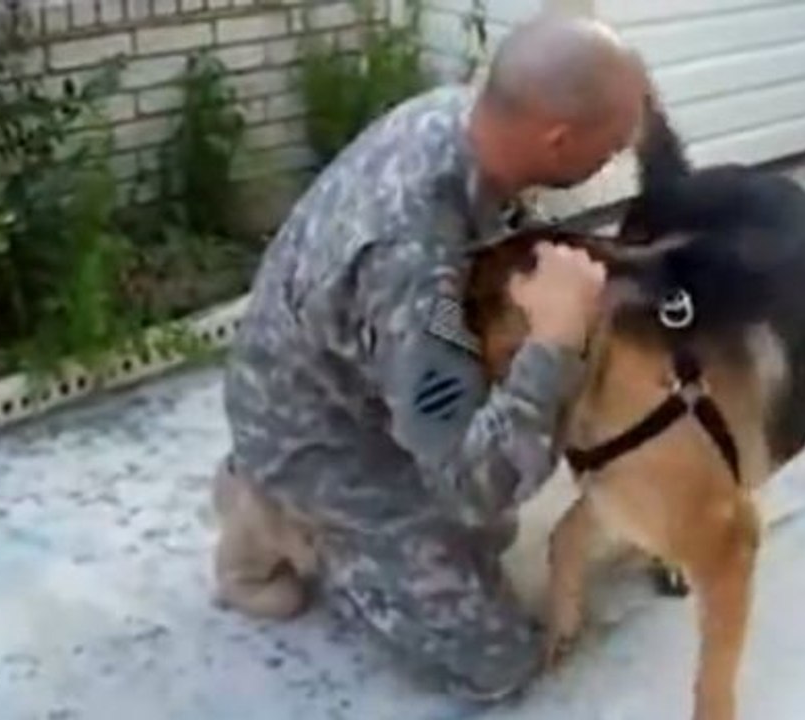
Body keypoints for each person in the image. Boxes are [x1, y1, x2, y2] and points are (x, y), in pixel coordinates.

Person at [213, 11, 652, 701]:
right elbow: (471, 486)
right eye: (613, 138)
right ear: (556, 139)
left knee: (488, 531)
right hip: (321, 435)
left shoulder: (457, 121)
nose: (623, 148)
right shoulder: (413, 261)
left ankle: (279, 491)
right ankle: (282, 515)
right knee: (498, 659)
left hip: (333, 375)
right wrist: (557, 339)